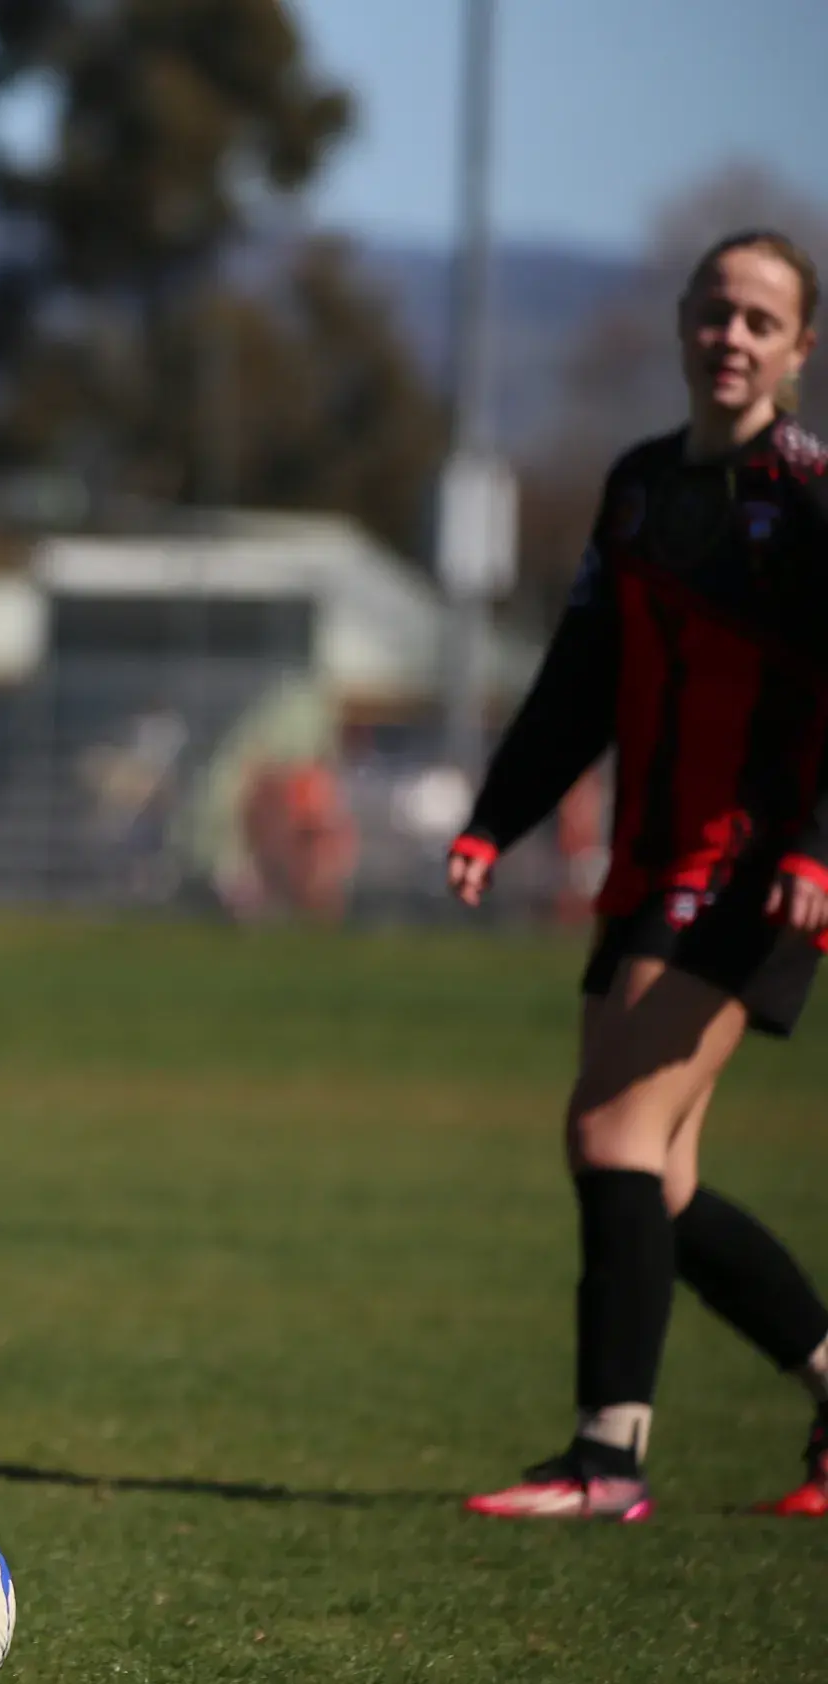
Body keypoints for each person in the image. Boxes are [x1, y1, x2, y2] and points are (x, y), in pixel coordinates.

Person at [450, 229, 828, 1522]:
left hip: (757, 866)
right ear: (681, 323)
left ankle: (606, 1462)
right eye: (716, 310)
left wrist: (821, 849)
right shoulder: (636, 488)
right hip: (647, 865)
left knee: (609, 1130)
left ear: (799, 348)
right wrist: (495, 820)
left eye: (762, 320)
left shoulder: (814, 495)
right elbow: (576, 683)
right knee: (653, 1178)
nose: (733, 335)